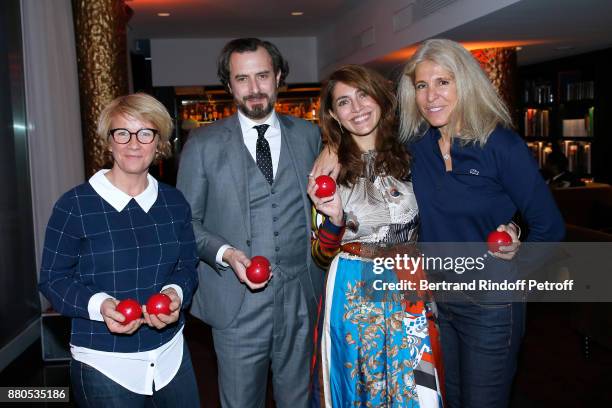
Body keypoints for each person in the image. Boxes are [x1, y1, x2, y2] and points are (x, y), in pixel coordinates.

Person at [395, 39, 565, 408]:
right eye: (422, 85)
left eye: (443, 82)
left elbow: (550, 228)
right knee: (449, 399)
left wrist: (513, 270)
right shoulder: (416, 146)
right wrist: (329, 150)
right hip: (438, 301)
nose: (430, 95)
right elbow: (362, 141)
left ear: (465, 84)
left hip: (490, 305)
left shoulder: (499, 145)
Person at [176, 38, 323, 407]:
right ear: (229, 85)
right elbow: (185, 223)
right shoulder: (203, 144)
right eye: (243, 79)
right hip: (236, 304)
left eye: (262, 76)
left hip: (300, 296)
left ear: (278, 78)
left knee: (299, 400)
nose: (254, 88)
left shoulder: (309, 135)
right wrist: (225, 253)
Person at [38, 93, 200, 407]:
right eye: (122, 133)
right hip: (105, 363)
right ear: (109, 142)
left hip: (171, 357)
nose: (133, 143)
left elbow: (187, 266)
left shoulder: (174, 202)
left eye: (145, 133)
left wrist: (174, 295)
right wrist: (101, 306)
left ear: (159, 143)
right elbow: (53, 279)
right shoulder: (74, 206)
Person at [309, 65, 444, 407]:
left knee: (416, 384)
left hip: (410, 282)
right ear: (332, 114)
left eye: (363, 95)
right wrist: (335, 219)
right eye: (343, 102)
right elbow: (320, 255)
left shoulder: (417, 154)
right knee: (356, 385)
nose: (356, 108)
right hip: (352, 288)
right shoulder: (327, 168)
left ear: (380, 98)